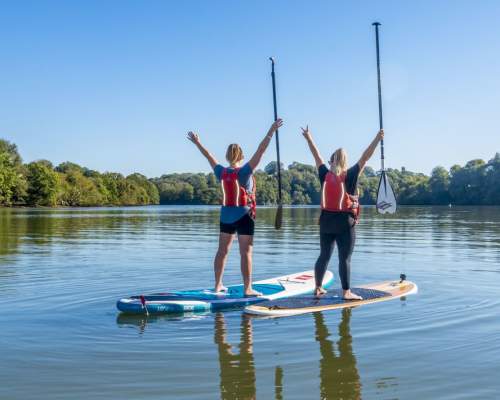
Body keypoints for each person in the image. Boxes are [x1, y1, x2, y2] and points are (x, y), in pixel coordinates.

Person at [187, 119, 283, 296]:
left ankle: (217, 286)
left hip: (225, 216)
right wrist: (271, 130)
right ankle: (248, 289)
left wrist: (197, 142)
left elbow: (208, 155)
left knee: (222, 251)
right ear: (241, 156)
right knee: (246, 253)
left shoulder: (220, 172)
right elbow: (261, 150)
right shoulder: (245, 171)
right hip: (244, 216)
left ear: (227, 157)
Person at [301, 125, 384, 299]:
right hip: (344, 224)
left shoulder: (323, 174)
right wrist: (377, 139)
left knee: (324, 256)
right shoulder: (351, 175)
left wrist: (309, 138)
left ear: (331, 161)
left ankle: (317, 287)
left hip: (325, 223)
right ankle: (346, 292)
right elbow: (366, 156)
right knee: (344, 259)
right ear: (345, 162)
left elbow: (316, 156)